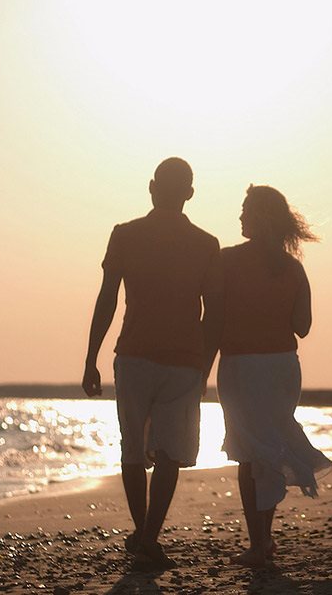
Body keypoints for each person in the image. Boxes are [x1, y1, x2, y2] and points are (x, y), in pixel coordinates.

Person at [82, 157, 223, 570]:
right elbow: (212, 315)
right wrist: (206, 367)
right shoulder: (205, 244)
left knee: (131, 447)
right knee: (169, 454)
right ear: (189, 194)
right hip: (183, 360)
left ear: (151, 187)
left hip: (135, 355)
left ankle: (143, 535)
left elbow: (107, 297)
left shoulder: (126, 235)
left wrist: (90, 357)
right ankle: (148, 537)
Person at [218, 184, 332, 568]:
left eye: (245, 209)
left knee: (250, 454)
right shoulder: (293, 268)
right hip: (283, 366)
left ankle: (259, 544)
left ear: (261, 216)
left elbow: (212, 319)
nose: (240, 216)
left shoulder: (227, 261)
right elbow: (303, 326)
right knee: (266, 447)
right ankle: (264, 541)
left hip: (242, 366)